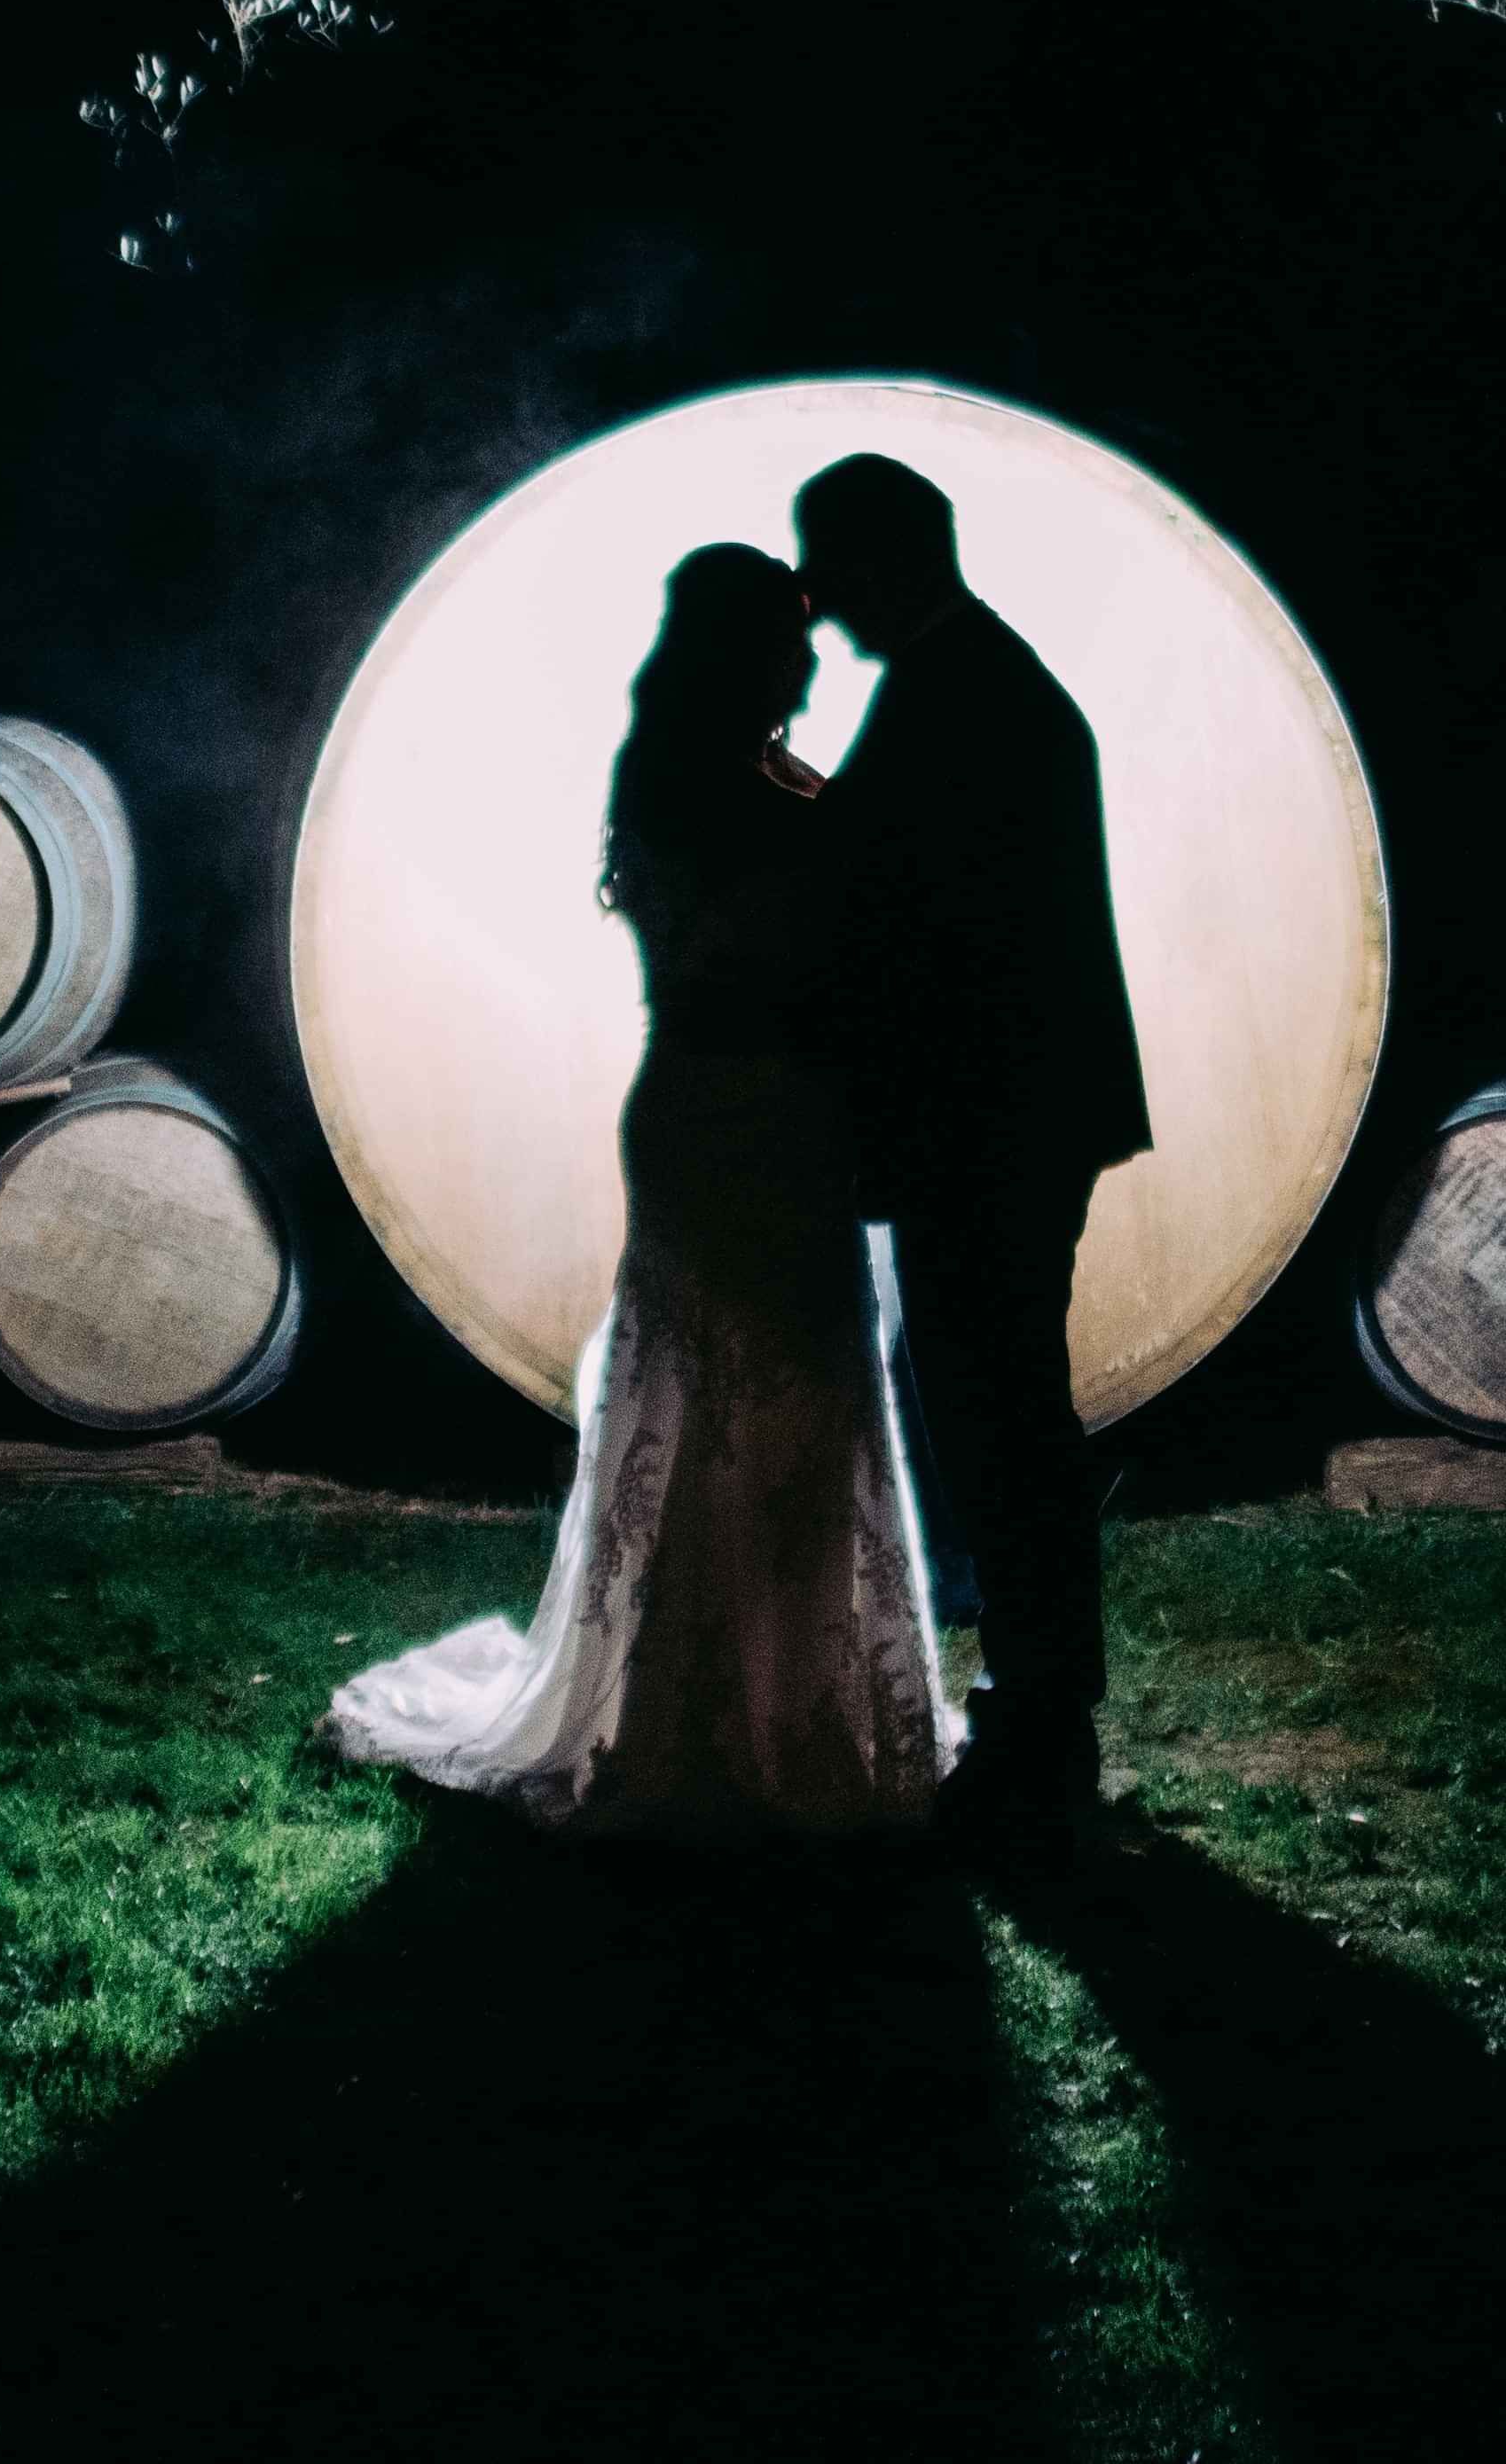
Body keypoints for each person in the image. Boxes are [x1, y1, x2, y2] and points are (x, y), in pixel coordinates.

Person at [322, 544, 955, 1832]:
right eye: (791, 632)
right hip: (727, 1112)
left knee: (811, 1408)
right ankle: (702, 1716)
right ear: (740, 647)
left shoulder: (767, 777)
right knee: (724, 1398)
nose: (814, 652)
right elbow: (734, 962)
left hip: (793, 1117)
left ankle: (804, 1699)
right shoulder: (686, 784)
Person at [792, 453, 1149, 1852]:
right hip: (1013, 1117)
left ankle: (1038, 1719)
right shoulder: (983, 680)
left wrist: (760, 790)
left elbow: (884, 893)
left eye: (828, 574)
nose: (819, 611)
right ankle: (1038, 1707)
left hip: (987, 1124)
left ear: (888, 558)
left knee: (1000, 1411)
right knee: (1000, 1405)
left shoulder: (961, 694)